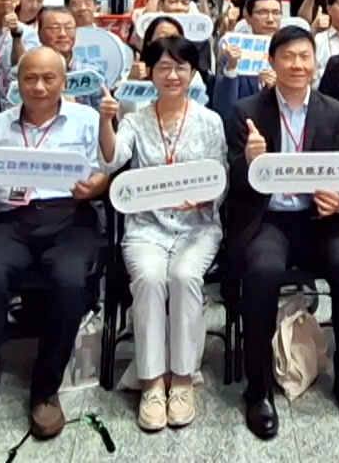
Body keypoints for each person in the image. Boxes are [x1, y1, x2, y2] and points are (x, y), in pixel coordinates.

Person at [0, 46, 110, 445]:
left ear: (64, 81)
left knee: (70, 281)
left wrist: (97, 186)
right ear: (16, 82)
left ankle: (45, 390)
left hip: (69, 216)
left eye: (48, 78)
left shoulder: (88, 121)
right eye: (30, 78)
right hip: (12, 220)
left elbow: (106, 173)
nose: (39, 87)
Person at [223, 25, 339, 438]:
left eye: (304, 56)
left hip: (318, 218)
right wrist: (249, 161)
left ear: (315, 62)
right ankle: (258, 390)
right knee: (262, 272)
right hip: (269, 218)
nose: (297, 65)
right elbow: (233, 185)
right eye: (287, 56)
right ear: (272, 61)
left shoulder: (334, 111)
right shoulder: (246, 110)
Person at [97, 37, 223, 432]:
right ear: (150, 73)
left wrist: (203, 198)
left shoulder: (210, 121)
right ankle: (151, 382)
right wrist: (106, 121)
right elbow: (112, 160)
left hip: (197, 226)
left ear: (193, 73)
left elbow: (220, 178)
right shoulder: (135, 119)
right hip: (146, 226)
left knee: (184, 277)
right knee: (150, 279)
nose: (172, 75)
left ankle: (183, 379)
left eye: (181, 67)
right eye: (163, 67)